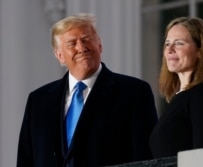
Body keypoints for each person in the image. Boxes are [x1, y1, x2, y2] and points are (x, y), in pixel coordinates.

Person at [17, 13, 158, 167]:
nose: (82, 48)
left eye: (86, 39)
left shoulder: (134, 92)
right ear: (59, 56)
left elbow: (145, 159)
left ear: (100, 44)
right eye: (72, 43)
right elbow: (26, 159)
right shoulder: (38, 100)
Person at [149, 17, 203, 158]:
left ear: (200, 51)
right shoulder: (179, 98)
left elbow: (202, 155)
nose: (170, 50)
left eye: (179, 43)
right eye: (167, 44)